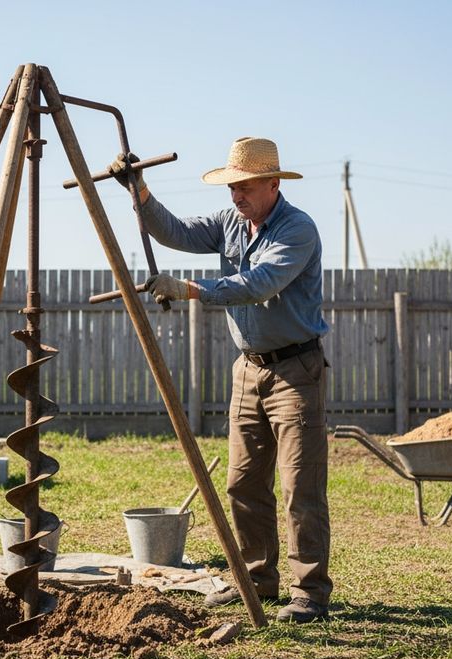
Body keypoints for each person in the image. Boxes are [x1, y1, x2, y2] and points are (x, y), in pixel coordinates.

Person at [109, 137, 331, 623]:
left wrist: (189, 288)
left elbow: (258, 285)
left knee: (300, 485)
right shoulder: (230, 222)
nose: (237, 195)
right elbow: (175, 232)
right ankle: (257, 580)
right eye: (233, 186)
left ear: (273, 183)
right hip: (249, 368)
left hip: (297, 371)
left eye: (246, 186)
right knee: (243, 483)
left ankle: (310, 593)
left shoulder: (297, 230)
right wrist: (140, 191)